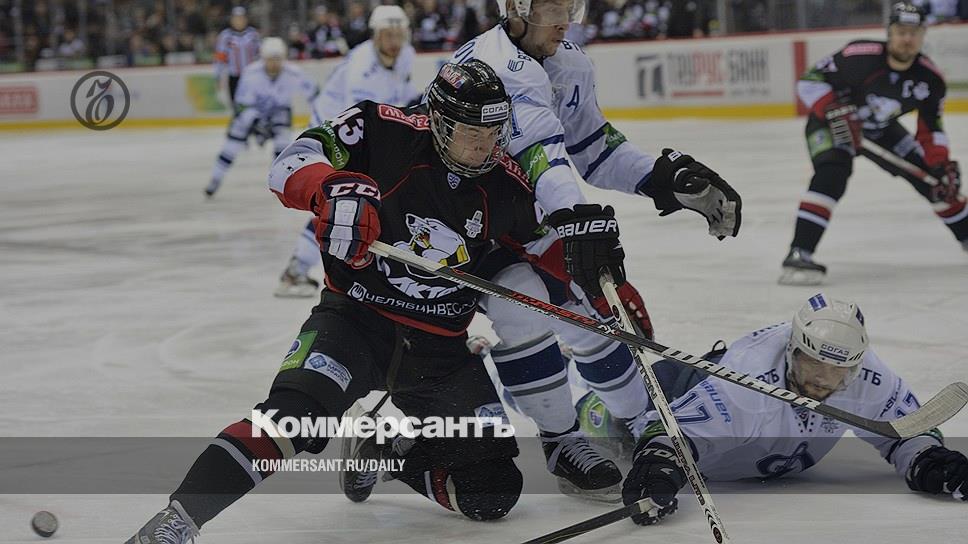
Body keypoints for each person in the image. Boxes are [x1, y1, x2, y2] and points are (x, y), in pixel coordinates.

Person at [125, 60, 631, 543]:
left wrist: (589, 259)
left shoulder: (506, 183)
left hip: (439, 352)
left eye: (494, 131)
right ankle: (177, 521)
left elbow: (544, 250)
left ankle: (381, 449)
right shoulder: (380, 131)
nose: (485, 145)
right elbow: (289, 164)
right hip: (354, 324)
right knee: (289, 419)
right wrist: (329, 188)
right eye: (471, 131)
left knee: (492, 491)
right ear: (438, 122)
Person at [443, 0, 742, 500]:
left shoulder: (571, 63)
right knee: (523, 307)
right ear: (515, 8)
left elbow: (594, 147)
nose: (565, 19)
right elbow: (539, 156)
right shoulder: (493, 65)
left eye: (571, 6)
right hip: (467, 223)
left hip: (528, 221)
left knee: (594, 312)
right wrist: (577, 220)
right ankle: (562, 442)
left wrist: (659, 178)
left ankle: (639, 421)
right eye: (552, 8)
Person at [577, 293, 968, 525]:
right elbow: (672, 438)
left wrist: (930, 462)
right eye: (814, 364)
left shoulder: (862, 373)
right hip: (687, 386)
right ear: (792, 351)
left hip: (753, 447)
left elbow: (905, 433)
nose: (824, 379)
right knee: (621, 416)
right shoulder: (747, 383)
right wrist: (660, 467)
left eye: (838, 370)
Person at [780, 1, 965, 286]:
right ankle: (799, 253)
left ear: (923, 35)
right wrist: (833, 108)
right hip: (832, 122)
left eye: (914, 33)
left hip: (880, 128)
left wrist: (939, 162)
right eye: (901, 32)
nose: (907, 39)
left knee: (936, 180)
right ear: (889, 33)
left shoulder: (930, 79)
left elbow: (931, 128)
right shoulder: (858, 56)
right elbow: (809, 80)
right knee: (833, 172)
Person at [276, 4, 422, 297]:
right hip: (334, 134)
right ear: (375, 35)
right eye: (388, 35)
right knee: (343, 200)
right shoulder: (361, 68)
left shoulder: (406, 55)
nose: (394, 41)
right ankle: (297, 269)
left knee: (355, 201)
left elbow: (402, 97)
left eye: (399, 34)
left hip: (360, 130)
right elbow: (364, 120)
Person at [204, 37, 320, 198]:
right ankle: (216, 178)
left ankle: (280, 181)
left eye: (277, 59)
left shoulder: (294, 73)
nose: (274, 63)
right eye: (270, 59)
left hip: (278, 113)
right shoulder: (251, 73)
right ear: (263, 58)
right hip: (251, 114)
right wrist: (256, 123)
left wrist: (318, 116)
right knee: (231, 146)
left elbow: (315, 95)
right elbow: (241, 105)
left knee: (283, 145)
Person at [213, 6, 261, 108]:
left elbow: (260, 54)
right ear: (232, 20)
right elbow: (220, 58)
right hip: (234, 76)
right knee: (236, 105)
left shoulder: (253, 34)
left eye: (241, 18)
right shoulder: (225, 36)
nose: (239, 21)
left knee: (253, 104)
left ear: (246, 19)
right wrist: (218, 77)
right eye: (236, 18)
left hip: (251, 76)